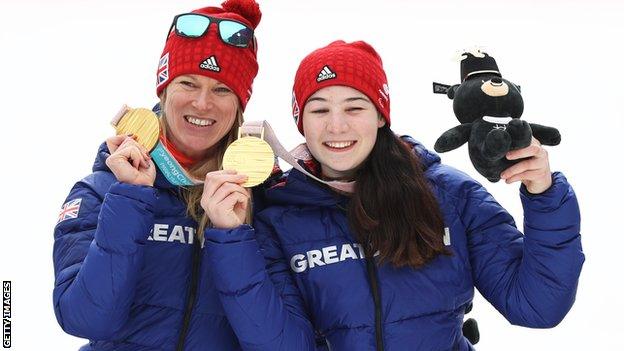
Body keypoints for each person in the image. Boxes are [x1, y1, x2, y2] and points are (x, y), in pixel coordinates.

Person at [201, 40, 585, 350]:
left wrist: (545, 197)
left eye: (355, 107)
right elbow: (281, 344)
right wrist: (232, 238)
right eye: (319, 110)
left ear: (381, 115)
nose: (337, 126)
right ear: (301, 120)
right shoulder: (277, 214)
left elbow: (537, 306)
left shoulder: (450, 196)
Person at [52, 1, 263, 350]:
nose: (202, 104)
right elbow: (84, 318)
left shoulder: (262, 195)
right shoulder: (102, 191)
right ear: (163, 90)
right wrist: (131, 200)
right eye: (188, 83)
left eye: (222, 89)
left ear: (240, 105)